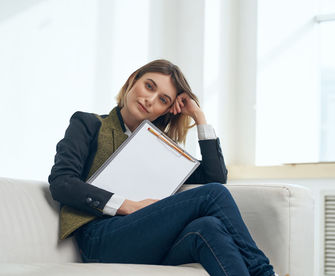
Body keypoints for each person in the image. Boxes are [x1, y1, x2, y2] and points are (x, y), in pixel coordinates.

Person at [48, 59, 276, 276]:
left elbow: (214, 177)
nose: (150, 100)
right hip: (99, 238)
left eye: (163, 100)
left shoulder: (162, 150)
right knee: (214, 196)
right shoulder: (88, 124)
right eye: (149, 86)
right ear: (132, 80)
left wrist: (199, 117)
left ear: (166, 111)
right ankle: (263, 272)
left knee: (208, 227)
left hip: (147, 238)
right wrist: (128, 206)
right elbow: (62, 182)